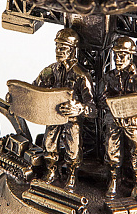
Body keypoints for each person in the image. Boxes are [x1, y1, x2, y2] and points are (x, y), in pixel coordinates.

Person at [33, 28, 96, 191]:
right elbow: (34, 88)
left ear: (72, 50)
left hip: (72, 120)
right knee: (49, 144)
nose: (58, 51)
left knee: (73, 148)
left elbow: (93, 108)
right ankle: (51, 171)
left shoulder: (81, 75)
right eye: (57, 46)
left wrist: (79, 108)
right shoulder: (50, 70)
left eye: (63, 48)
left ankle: (72, 175)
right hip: (53, 116)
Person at [103, 37, 137, 198]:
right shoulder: (109, 77)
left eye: (122, 55)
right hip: (115, 120)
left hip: (135, 122)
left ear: (130, 56)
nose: (117, 59)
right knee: (111, 147)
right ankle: (113, 178)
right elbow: (101, 99)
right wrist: (111, 109)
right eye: (115, 55)